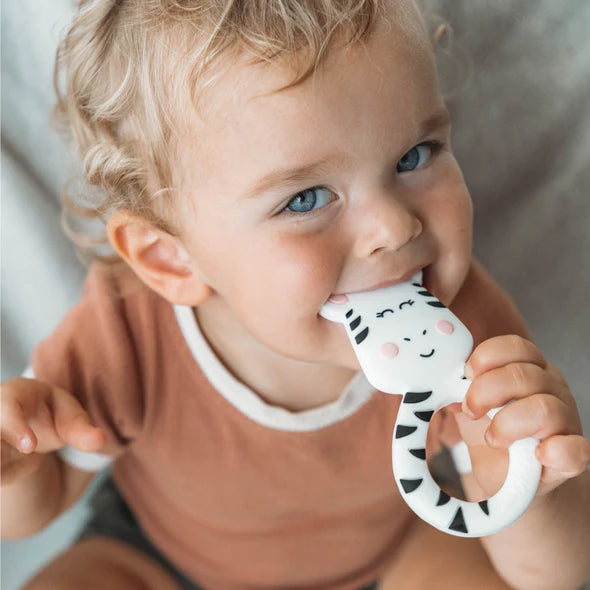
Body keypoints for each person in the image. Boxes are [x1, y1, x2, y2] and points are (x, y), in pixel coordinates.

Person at [2, 1, 589, 588]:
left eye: (415, 155)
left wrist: (528, 495)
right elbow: (42, 502)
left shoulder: (463, 337)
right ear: (169, 257)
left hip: (398, 552)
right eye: (305, 199)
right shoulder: (125, 329)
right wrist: (16, 468)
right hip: (156, 556)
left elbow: (552, 578)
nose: (393, 227)